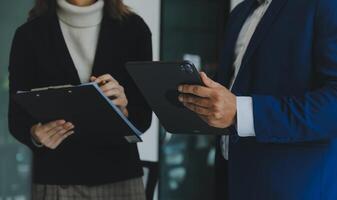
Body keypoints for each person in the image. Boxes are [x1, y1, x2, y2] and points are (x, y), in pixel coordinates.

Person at [178, 0, 337, 199]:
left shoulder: (325, 5)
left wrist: (241, 112)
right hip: (231, 181)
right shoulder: (240, 13)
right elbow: (235, 86)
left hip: (295, 189)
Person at [8, 0, 152, 199]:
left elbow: (143, 118)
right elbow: (16, 119)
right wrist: (36, 134)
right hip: (55, 178)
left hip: (120, 178)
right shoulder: (29, 35)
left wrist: (124, 109)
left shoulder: (134, 29)